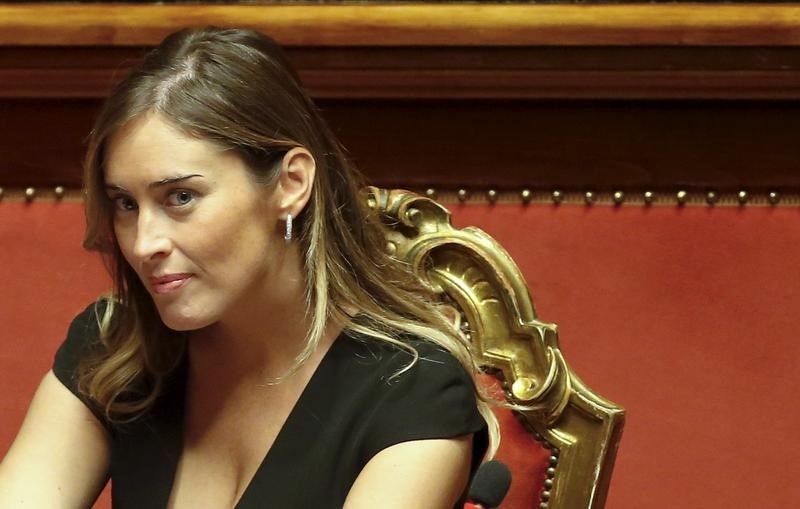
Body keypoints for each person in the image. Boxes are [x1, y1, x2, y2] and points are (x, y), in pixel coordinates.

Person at [0, 27, 496, 508]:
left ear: (290, 184)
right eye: (125, 204)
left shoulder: (412, 394)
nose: (143, 243)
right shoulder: (115, 349)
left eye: (180, 197)